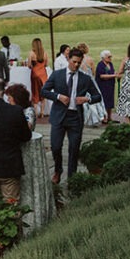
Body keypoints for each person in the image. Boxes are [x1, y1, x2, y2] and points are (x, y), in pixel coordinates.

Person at [41, 48, 102, 184]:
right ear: (68, 59)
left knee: (74, 149)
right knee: (55, 146)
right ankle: (57, 170)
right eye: (74, 62)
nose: (76, 65)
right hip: (59, 116)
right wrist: (58, 96)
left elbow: (97, 96)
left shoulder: (85, 79)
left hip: (75, 117)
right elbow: (43, 91)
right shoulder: (57, 75)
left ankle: (72, 178)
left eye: (79, 63)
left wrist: (87, 99)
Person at [29, 38, 49, 121]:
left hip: (35, 74)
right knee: (43, 92)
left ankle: (36, 112)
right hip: (43, 74)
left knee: (35, 92)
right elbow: (47, 64)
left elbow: (29, 65)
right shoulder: (45, 53)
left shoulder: (31, 53)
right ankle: (42, 112)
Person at [95, 50, 119, 118]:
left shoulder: (110, 64)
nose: (110, 58)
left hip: (110, 85)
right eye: (108, 57)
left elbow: (112, 72)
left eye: (110, 57)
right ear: (103, 57)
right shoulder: (100, 65)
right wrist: (113, 76)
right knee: (104, 101)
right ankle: (104, 117)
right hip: (103, 86)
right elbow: (101, 76)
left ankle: (109, 117)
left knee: (110, 101)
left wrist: (115, 74)